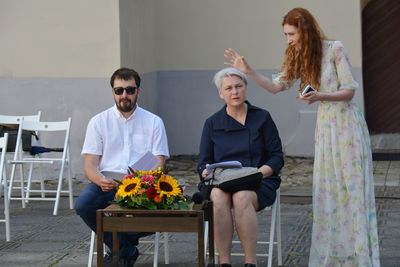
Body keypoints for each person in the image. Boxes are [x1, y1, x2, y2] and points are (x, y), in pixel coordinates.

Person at [224, 7, 380, 267]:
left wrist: (320, 96)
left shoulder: (335, 49)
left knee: (351, 189)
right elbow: (276, 87)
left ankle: (360, 256)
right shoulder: (299, 55)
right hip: (327, 129)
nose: (289, 39)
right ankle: (338, 255)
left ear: (305, 30)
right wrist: (248, 70)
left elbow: (350, 90)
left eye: (291, 34)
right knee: (329, 190)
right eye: (286, 34)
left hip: (347, 128)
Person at [75, 67, 169, 267]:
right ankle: (126, 249)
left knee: (161, 212)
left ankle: (120, 251)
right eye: (119, 91)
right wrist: (99, 180)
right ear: (113, 92)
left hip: (143, 186)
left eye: (129, 90)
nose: (124, 95)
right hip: (107, 184)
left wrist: (144, 182)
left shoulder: (154, 122)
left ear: (138, 91)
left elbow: (159, 163)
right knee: (84, 204)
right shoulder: (98, 122)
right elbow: (90, 165)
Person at [198, 67, 284, 267]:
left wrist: (259, 173)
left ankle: (250, 262)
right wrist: (204, 171)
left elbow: (276, 157)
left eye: (238, 86)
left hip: (258, 180)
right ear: (221, 93)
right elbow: (203, 161)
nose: (234, 92)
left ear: (246, 88)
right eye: (228, 88)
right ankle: (225, 263)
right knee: (218, 197)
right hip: (222, 181)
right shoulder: (212, 123)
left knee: (242, 196)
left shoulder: (262, 117)